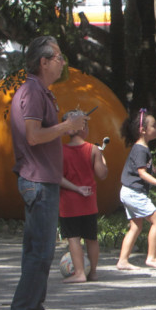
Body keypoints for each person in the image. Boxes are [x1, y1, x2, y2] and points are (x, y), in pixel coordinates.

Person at [9, 36, 87, 310]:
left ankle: (34, 305)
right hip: (37, 180)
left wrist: (65, 127)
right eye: (57, 57)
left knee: (39, 248)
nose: (62, 62)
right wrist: (67, 126)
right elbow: (33, 135)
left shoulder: (40, 91)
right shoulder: (33, 92)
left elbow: (41, 132)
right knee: (40, 250)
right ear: (43, 62)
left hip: (42, 179)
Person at [116, 109, 156, 271]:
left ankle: (123, 260)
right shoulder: (141, 149)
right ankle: (152, 257)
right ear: (143, 130)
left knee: (136, 226)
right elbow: (141, 173)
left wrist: (152, 168)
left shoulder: (140, 148)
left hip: (128, 191)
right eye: (154, 126)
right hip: (134, 192)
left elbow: (141, 166)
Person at [58, 109, 109, 283]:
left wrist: (75, 188)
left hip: (68, 202)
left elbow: (57, 177)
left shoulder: (60, 151)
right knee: (91, 237)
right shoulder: (93, 149)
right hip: (89, 201)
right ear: (84, 128)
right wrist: (101, 156)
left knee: (73, 238)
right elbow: (102, 174)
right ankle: (93, 272)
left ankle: (79, 273)